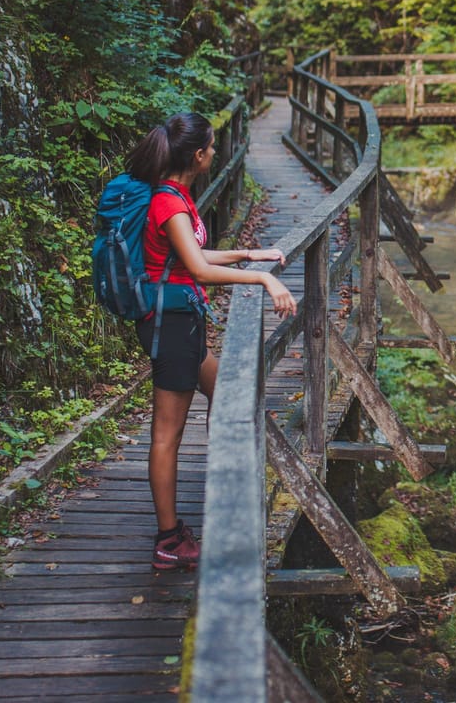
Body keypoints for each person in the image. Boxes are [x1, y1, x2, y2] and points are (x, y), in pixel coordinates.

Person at [125, 113, 297, 569]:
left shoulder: (176, 196)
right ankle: (168, 539)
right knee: (167, 433)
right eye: (213, 147)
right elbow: (199, 270)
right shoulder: (168, 202)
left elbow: (192, 256)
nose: (217, 153)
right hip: (172, 324)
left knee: (230, 397)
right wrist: (260, 278)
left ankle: (228, 495)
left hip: (184, 322)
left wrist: (247, 253)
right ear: (198, 156)